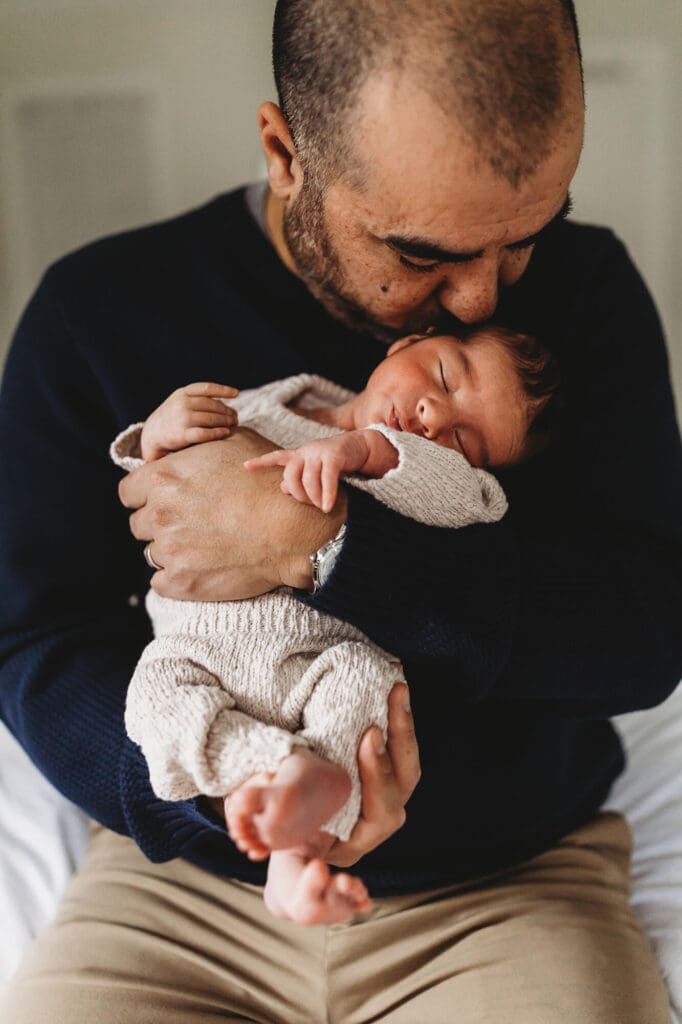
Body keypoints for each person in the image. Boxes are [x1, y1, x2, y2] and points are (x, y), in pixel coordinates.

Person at [0, 0, 680, 1020]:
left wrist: (317, 542)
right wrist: (234, 804)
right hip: (185, 890)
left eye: (526, 240)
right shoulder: (97, 312)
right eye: (420, 255)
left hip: (508, 885)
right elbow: (36, 642)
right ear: (284, 151)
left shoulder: (586, 301)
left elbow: (643, 629)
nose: (482, 302)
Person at [111, 326, 552, 926]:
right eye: (446, 376)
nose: (433, 416)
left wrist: (361, 450)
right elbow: (159, 487)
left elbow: (463, 496)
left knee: (369, 689)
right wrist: (156, 434)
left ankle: (294, 855)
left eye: (465, 440)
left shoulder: (426, 473)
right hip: (195, 648)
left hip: (321, 657)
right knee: (153, 700)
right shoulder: (266, 402)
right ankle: (267, 780)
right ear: (405, 344)